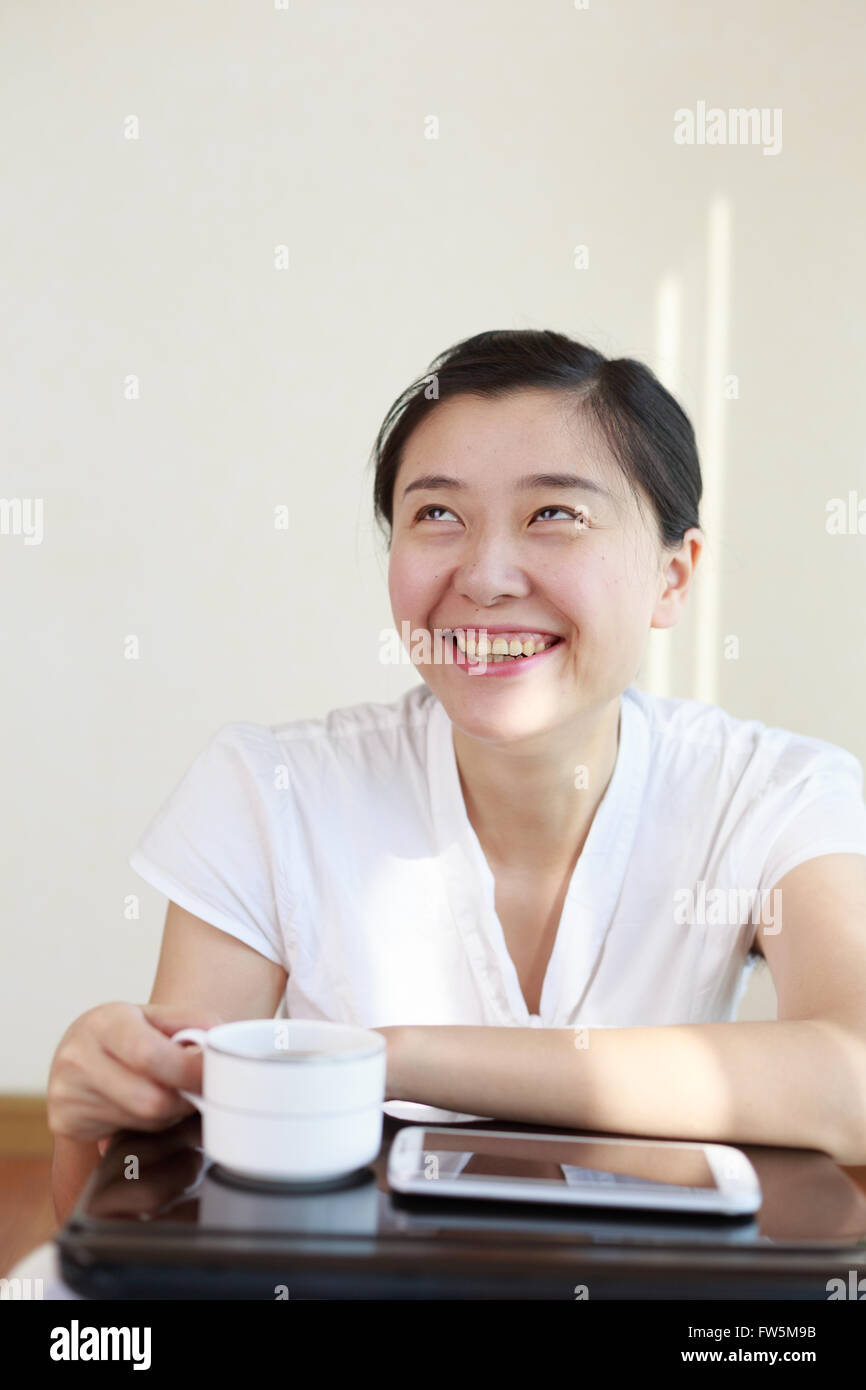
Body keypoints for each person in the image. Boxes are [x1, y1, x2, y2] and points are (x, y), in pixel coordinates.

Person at [48, 329, 866, 1224]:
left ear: (674, 576)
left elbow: (853, 1080)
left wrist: (381, 1057)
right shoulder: (268, 788)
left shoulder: (778, 791)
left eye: (554, 514)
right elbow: (145, 1221)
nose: (484, 576)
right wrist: (91, 1115)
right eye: (437, 515)